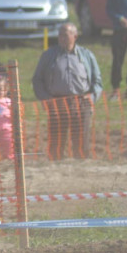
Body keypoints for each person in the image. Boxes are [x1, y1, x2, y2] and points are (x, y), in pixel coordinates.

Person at [32, 23, 103, 160]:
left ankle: (81, 165)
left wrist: (92, 97)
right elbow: (37, 80)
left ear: (75, 36)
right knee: (56, 141)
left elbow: (97, 81)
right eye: (60, 35)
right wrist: (45, 98)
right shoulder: (48, 55)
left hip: (81, 102)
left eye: (65, 34)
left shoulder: (87, 55)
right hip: (57, 102)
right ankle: (55, 166)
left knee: (81, 140)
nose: (61, 38)